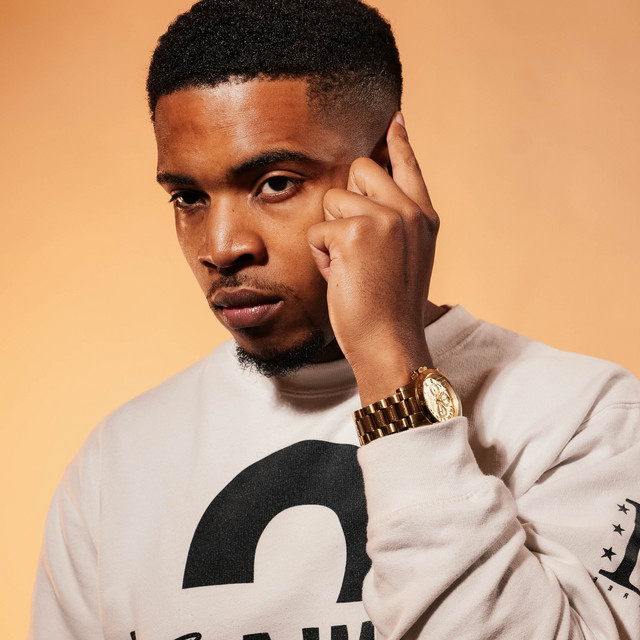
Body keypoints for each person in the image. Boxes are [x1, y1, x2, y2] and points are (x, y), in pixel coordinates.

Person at [29, 0, 640, 638]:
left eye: (275, 183)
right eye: (188, 197)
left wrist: (388, 358)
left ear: (385, 174)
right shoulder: (117, 462)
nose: (222, 246)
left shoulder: (581, 418)